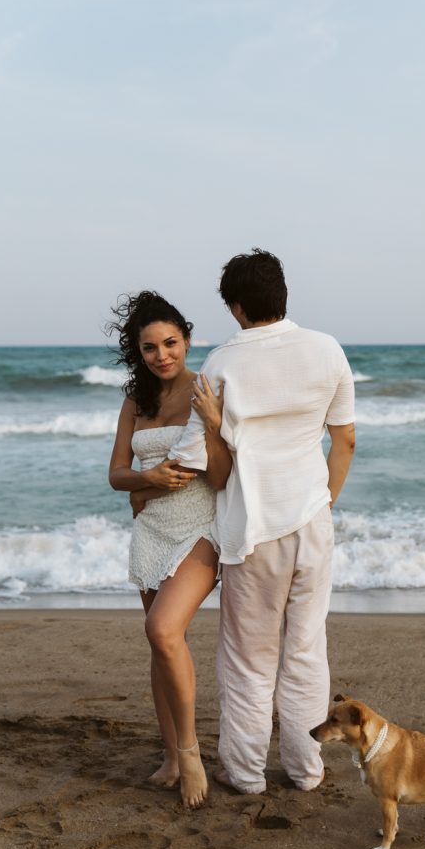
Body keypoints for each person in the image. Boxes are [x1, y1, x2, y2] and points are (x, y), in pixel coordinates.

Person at [170, 250, 356, 794]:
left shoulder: (223, 364)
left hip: (252, 532)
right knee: (305, 650)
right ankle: (306, 768)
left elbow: (195, 464)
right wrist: (325, 501)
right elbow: (343, 440)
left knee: (249, 660)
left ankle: (247, 774)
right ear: (283, 297)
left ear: (235, 307)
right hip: (311, 521)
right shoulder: (327, 350)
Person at [108, 291, 231, 809]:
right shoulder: (136, 402)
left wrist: (217, 426)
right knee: (160, 647)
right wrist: (145, 480)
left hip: (199, 528)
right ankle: (170, 754)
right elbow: (115, 474)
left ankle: (192, 753)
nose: (163, 355)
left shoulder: (207, 390)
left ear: (187, 338)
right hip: (150, 532)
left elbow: (221, 477)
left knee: (163, 628)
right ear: (138, 352)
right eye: (151, 348)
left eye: (171, 343)